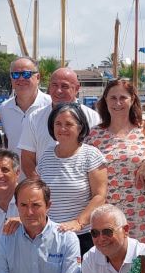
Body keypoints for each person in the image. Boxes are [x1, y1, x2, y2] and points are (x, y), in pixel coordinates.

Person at [85, 78, 145, 244]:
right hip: (107, 219)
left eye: (123, 98)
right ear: (105, 100)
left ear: (132, 99)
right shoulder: (93, 136)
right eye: (112, 98)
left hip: (143, 218)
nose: (118, 103)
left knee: (143, 266)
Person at [35, 103, 107, 255]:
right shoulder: (46, 156)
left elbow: (100, 196)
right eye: (58, 124)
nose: (62, 129)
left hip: (83, 238)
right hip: (50, 237)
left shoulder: (91, 155)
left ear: (80, 128)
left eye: (68, 124)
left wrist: (78, 222)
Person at [18, 67, 101, 179]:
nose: (58, 91)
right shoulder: (34, 118)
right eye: (54, 85)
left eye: (64, 86)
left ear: (76, 88)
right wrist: (41, 190)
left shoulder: (93, 117)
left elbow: (98, 160)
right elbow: (27, 159)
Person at [0, 57, 50, 150]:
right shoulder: (4, 108)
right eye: (15, 75)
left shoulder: (51, 105)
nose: (21, 78)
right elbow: (8, 141)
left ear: (38, 77)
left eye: (26, 74)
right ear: (11, 79)